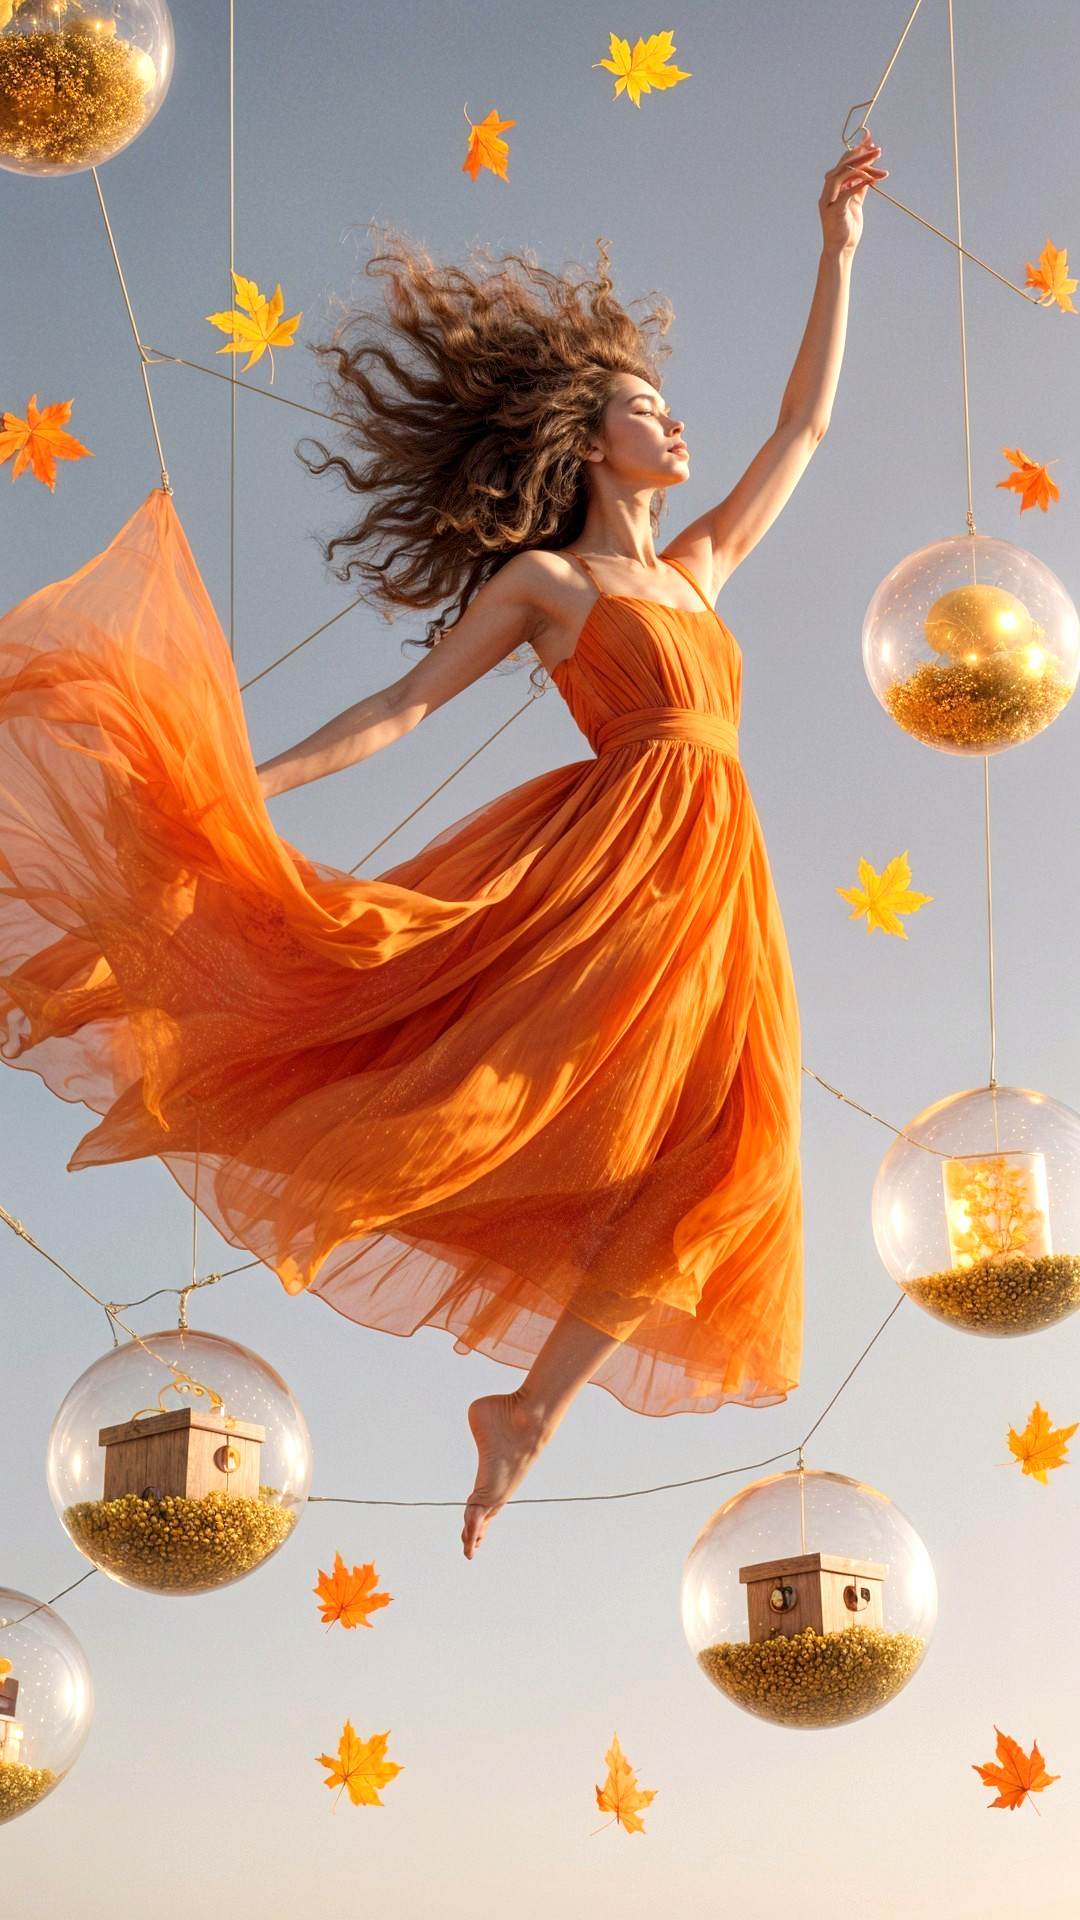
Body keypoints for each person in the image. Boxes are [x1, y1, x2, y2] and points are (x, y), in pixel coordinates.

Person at [0, 137, 885, 1561]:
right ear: (594, 443)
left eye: (671, 407)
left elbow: (806, 432)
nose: (678, 424)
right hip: (619, 867)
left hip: (724, 875)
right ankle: (518, 1394)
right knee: (499, 1090)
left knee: (733, 1150)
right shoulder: (547, 582)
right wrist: (247, 783)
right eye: (649, 409)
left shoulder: (698, 568)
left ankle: (529, 1409)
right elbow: (403, 708)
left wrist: (837, 255)